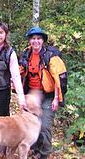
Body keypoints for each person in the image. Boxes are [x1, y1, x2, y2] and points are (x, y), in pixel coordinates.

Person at [19, 27, 67, 159]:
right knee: (29, 123)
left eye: (39, 38)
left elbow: (58, 78)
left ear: (43, 41)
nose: (36, 41)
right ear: (30, 40)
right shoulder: (26, 54)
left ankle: (44, 153)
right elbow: (20, 71)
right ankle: (33, 148)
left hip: (48, 95)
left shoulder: (50, 56)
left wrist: (56, 98)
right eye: (33, 38)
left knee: (44, 125)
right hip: (31, 95)